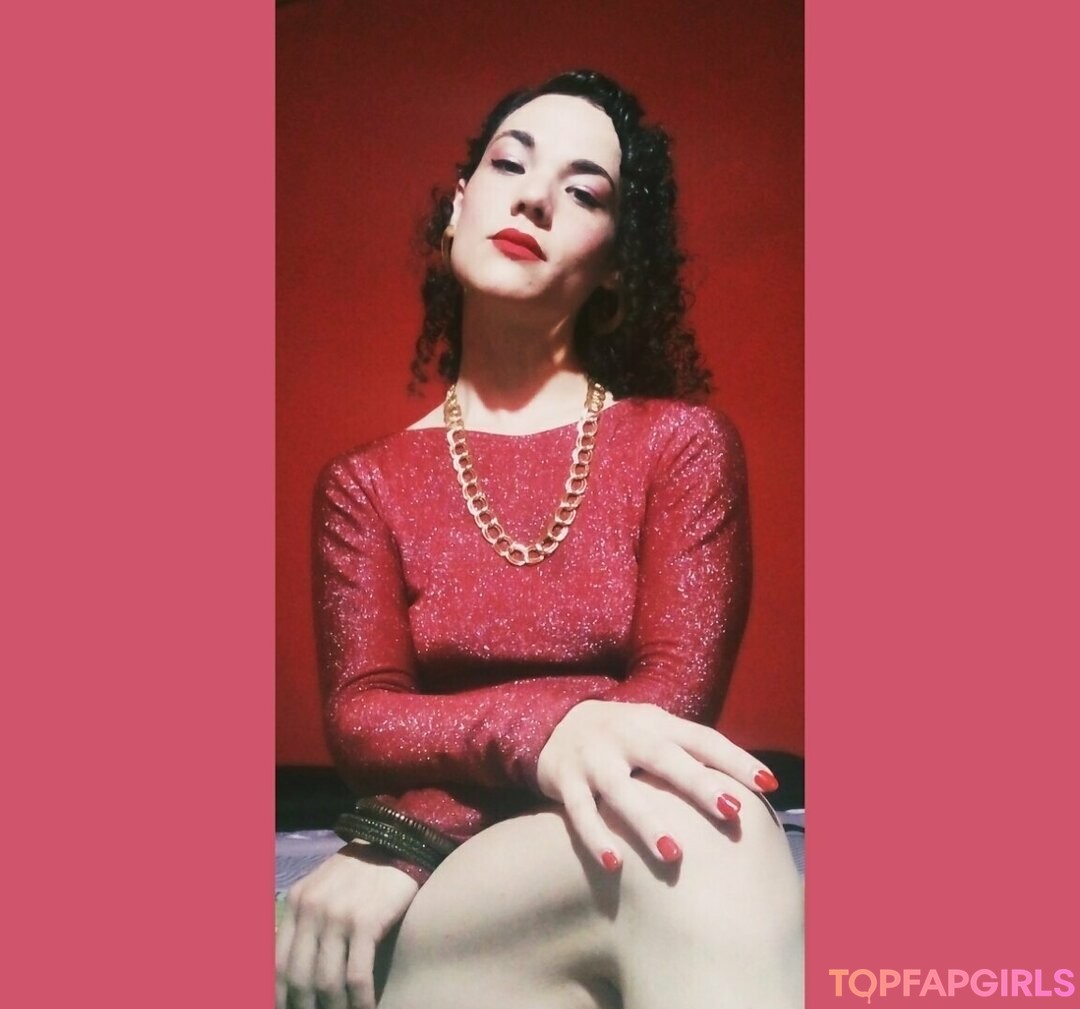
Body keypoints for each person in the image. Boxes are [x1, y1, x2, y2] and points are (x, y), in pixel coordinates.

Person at [276, 69, 803, 1009]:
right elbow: (364, 719)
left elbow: (664, 711)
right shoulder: (365, 485)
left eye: (584, 191)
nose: (534, 198)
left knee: (705, 829)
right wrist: (549, 734)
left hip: (593, 838)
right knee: (706, 846)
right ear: (458, 208)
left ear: (616, 266)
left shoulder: (680, 447)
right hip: (465, 900)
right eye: (509, 164)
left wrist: (412, 831)